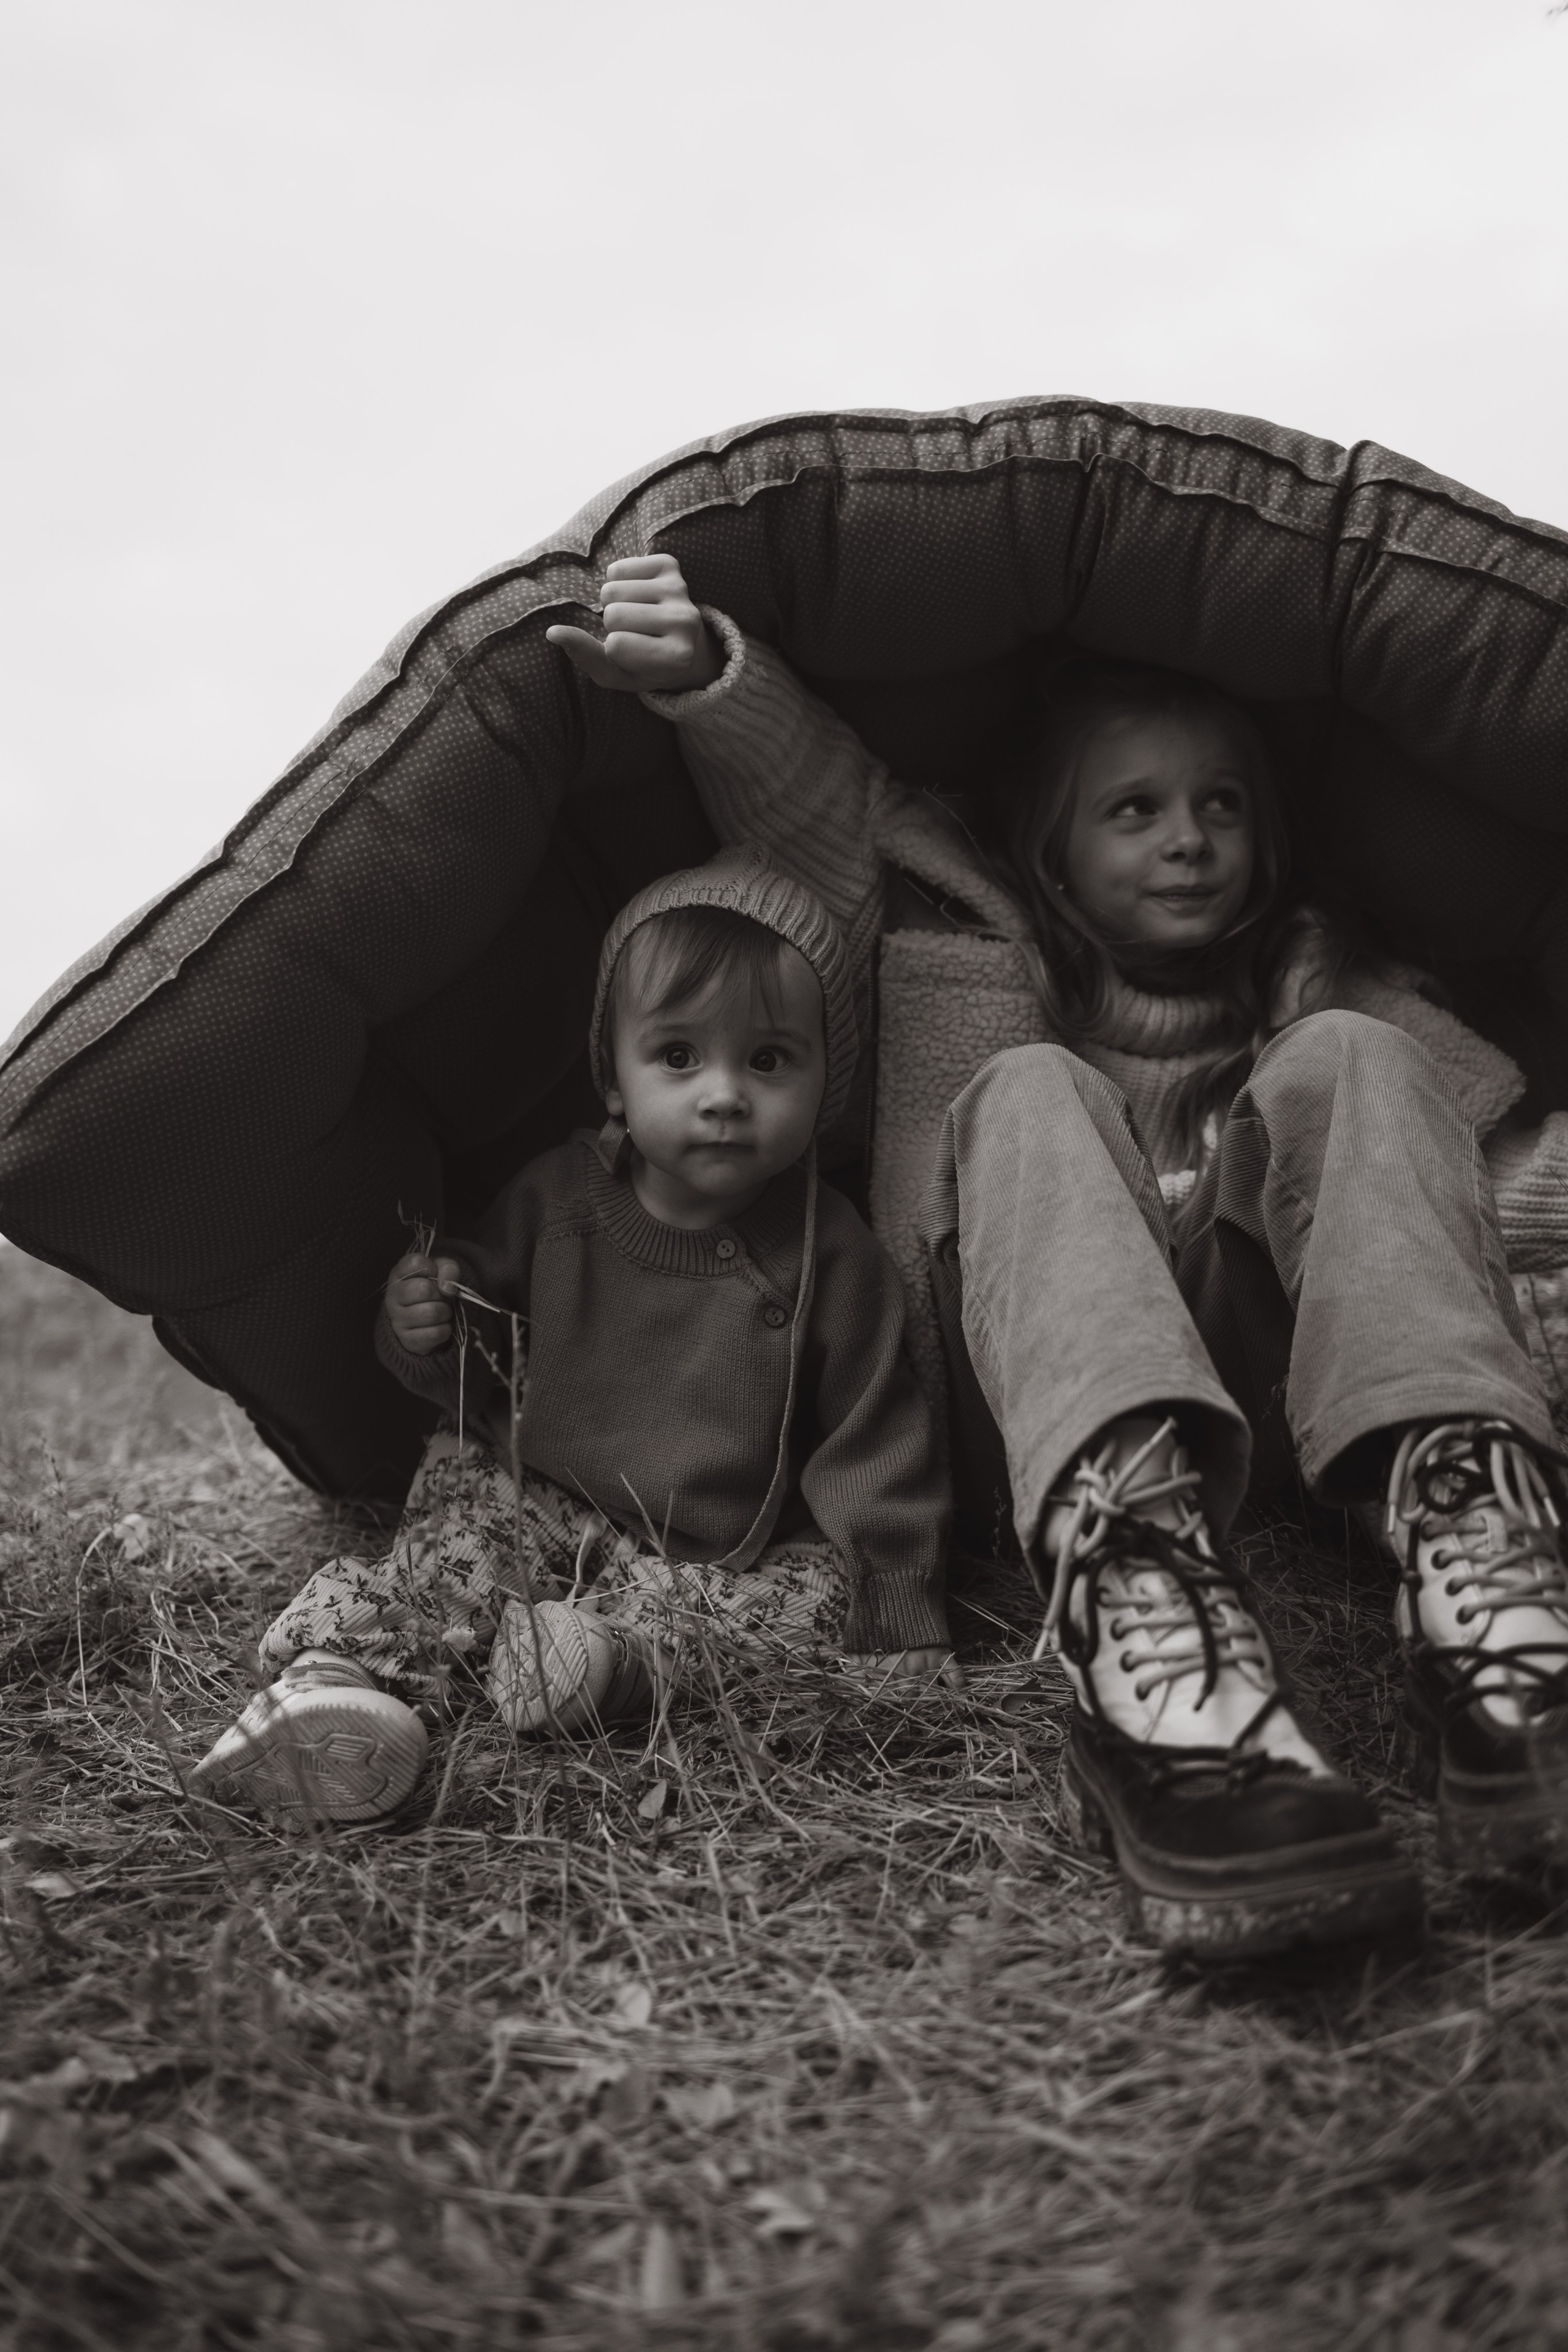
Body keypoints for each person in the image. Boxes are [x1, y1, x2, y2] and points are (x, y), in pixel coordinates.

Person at [537, 554, 1568, 1961]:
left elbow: (1459, 1190)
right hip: (1023, 1402)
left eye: (1220, 805)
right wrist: (709, 681)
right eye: (1132, 809)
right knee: (1029, 1088)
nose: (1186, 838)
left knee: (1359, 1056)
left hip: (1299, 1406)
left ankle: (1494, 1612)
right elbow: (822, 807)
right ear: (1047, 845)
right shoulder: (963, 933)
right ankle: (1157, 1663)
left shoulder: (1323, 981)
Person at [191, 848, 952, 1826]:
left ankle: (604, 1665)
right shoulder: (561, 1200)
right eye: (679, 1057)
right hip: (542, 1492)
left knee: (815, 1602)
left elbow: (875, 1437)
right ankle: (334, 1686)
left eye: (768, 1060)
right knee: (457, 1540)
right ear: (614, 1079)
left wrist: (897, 1593)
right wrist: (431, 1323)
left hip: (717, 1549)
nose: (725, 1093)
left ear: (826, 1084)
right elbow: (481, 1354)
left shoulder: (832, 1251)